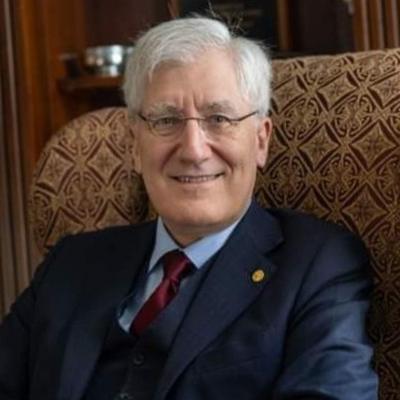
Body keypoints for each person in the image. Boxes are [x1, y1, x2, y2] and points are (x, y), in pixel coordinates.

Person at [0, 16, 378, 400]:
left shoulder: (317, 265)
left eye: (219, 119)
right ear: (134, 145)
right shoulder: (71, 262)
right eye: (167, 120)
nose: (194, 150)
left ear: (261, 141)